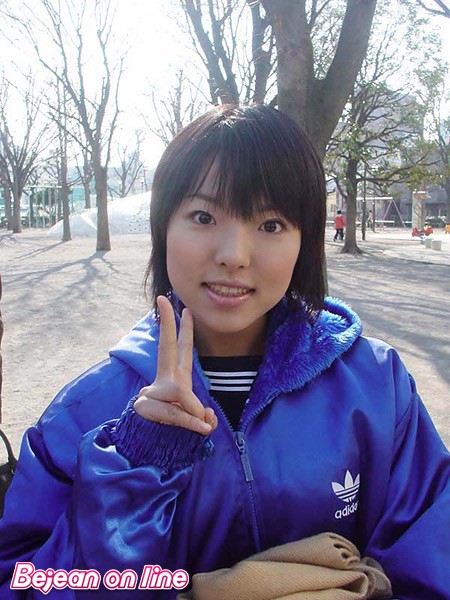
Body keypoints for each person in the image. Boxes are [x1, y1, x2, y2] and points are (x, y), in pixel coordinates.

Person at [0, 105, 449, 599]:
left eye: (271, 225)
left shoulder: (378, 387)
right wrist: (134, 466)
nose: (234, 255)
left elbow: (432, 561)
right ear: (163, 227)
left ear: (306, 240)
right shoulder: (86, 413)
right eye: (203, 216)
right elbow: (20, 581)